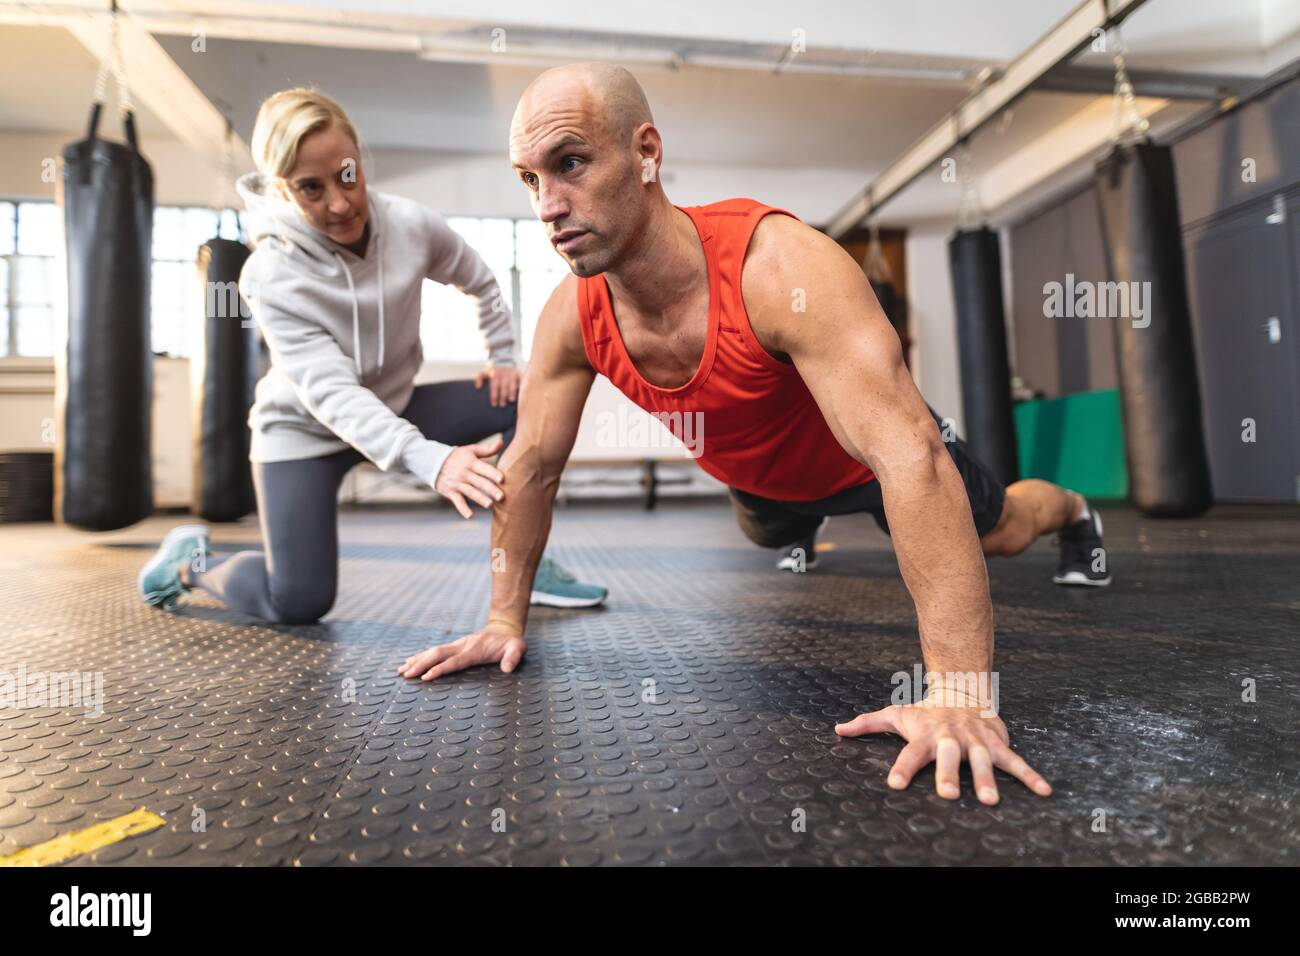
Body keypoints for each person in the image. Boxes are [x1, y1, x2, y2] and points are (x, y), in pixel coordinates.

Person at [401, 63, 1111, 804]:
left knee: (1000, 530)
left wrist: (960, 696)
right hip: (761, 480)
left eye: (570, 163)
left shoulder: (778, 268)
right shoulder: (570, 316)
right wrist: (502, 617)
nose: (548, 205)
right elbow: (534, 465)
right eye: (528, 179)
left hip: (870, 460)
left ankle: (1072, 510)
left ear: (646, 152)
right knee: (771, 534)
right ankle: (797, 528)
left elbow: (910, 458)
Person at [139, 87, 606, 623]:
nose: (338, 204)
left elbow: (480, 280)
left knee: (526, 400)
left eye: (346, 176)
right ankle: (192, 562)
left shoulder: (411, 225)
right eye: (310, 189)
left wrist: (503, 357)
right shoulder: (270, 275)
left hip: (397, 405)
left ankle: (527, 558)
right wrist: (433, 461)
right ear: (280, 189)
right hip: (305, 433)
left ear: (360, 159)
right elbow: (335, 397)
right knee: (296, 602)